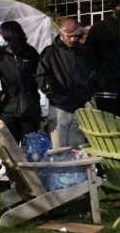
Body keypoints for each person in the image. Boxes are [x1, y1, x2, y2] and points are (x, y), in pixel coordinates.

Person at [36, 16, 92, 148]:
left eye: (76, 36)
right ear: (61, 33)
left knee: (77, 149)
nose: (73, 39)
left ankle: (76, 169)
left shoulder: (85, 52)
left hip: (80, 106)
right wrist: (51, 92)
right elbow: (40, 77)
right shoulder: (50, 53)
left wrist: (89, 92)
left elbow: (93, 72)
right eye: (69, 36)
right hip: (59, 106)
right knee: (58, 148)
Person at [0, 20, 42, 140]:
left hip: (30, 108)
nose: (0, 37)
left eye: (2, 34)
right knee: (11, 147)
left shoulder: (29, 52)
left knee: (31, 148)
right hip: (9, 109)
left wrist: (41, 87)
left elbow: (40, 73)